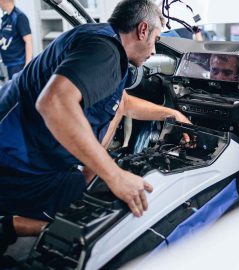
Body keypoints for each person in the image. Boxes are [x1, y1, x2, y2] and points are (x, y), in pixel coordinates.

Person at [0, 0, 191, 253]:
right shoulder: (105, 52)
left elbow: (120, 103)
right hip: (16, 165)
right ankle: (17, 225)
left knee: (94, 187)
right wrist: (115, 175)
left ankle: (15, 225)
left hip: (26, 153)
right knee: (103, 211)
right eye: (155, 39)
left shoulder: (103, 41)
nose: (154, 51)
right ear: (142, 30)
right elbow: (54, 102)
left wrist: (171, 114)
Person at [0, 0, 32, 79]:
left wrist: (27, 65)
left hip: (18, 64)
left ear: (3, 1)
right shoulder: (6, 18)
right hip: (9, 63)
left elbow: (28, 41)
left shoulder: (19, 16)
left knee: (19, 89)